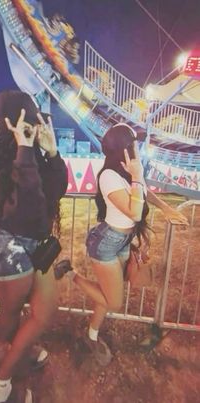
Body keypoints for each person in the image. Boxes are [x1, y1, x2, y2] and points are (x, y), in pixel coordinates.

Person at [55, 123, 188, 366]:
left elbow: (145, 192)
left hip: (122, 240)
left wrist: (167, 208)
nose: (137, 147)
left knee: (109, 291)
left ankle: (91, 334)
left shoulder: (128, 172)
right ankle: (70, 272)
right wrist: (137, 177)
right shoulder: (109, 176)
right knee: (114, 301)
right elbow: (134, 212)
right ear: (122, 149)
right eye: (133, 143)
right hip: (106, 243)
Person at [0, 90, 68, 403]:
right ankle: (1, 384)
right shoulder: (0, 156)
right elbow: (25, 212)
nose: (38, 116)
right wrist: (24, 151)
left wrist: (51, 155)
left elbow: (54, 193)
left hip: (26, 246)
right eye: (31, 111)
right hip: (4, 250)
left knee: (36, 312)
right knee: (19, 314)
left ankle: (16, 353)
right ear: (16, 118)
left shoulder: (32, 148)